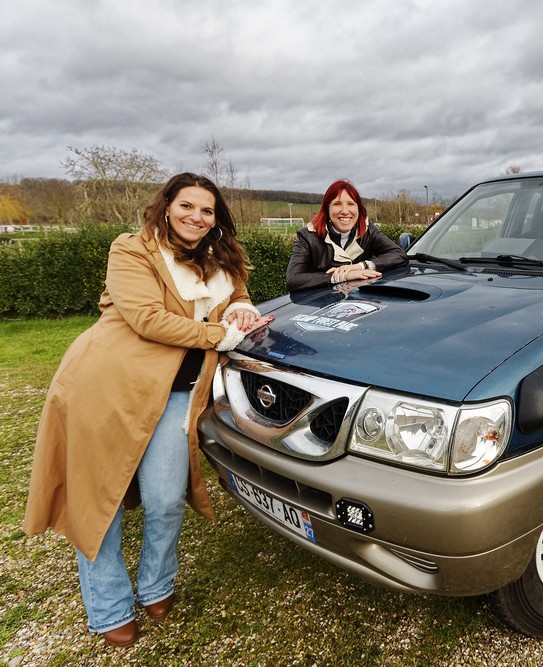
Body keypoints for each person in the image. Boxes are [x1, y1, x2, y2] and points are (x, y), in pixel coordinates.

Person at [23, 173, 271, 647]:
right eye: (188, 206)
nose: (196, 217)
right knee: (102, 498)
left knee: (164, 499)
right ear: (166, 205)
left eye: (207, 210)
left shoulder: (223, 260)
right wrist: (218, 336)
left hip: (179, 393)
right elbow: (147, 319)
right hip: (109, 387)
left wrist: (241, 309)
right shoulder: (133, 249)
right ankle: (108, 606)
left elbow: (235, 298)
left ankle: (156, 584)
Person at [285, 179, 407, 291]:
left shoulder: (368, 230)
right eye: (337, 204)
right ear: (327, 209)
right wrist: (344, 276)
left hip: (360, 304)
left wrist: (361, 266)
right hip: (321, 305)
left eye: (351, 204)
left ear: (358, 208)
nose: (344, 211)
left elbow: (399, 255)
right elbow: (293, 280)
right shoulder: (308, 236)